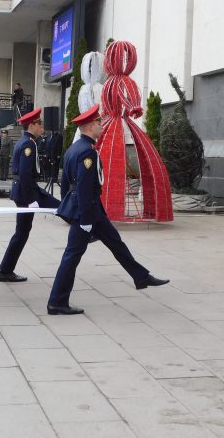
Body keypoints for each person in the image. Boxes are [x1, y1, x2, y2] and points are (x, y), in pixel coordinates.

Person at [49, 105, 169, 314]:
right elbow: (85, 188)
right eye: (97, 123)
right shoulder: (87, 152)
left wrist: (66, 205)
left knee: (116, 243)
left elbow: (66, 184)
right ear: (88, 127)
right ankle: (57, 302)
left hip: (90, 210)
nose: (100, 126)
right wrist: (84, 219)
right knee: (72, 256)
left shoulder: (73, 149)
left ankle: (141, 276)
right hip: (86, 212)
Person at [0, 109, 61, 283]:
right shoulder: (28, 144)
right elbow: (26, 174)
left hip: (27, 190)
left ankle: (86, 228)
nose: (42, 126)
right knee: (22, 232)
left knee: (59, 207)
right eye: (40, 123)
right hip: (27, 192)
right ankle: (5, 271)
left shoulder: (27, 141)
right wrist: (32, 200)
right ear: (32, 125)